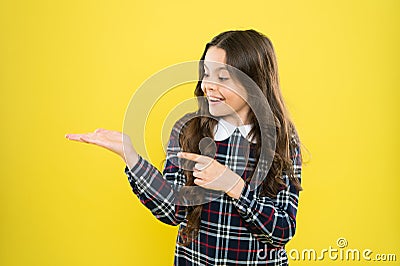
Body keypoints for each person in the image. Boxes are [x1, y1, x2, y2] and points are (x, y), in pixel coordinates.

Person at [66, 29, 303, 265]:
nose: (208, 86)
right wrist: (131, 157)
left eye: (222, 77)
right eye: (206, 74)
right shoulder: (187, 128)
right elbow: (173, 211)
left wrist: (233, 185)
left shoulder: (282, 139)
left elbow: (281, 231)